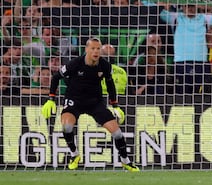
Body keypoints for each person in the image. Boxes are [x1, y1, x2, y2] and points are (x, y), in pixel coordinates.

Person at [41, 37, 139, 172]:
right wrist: (51, 99)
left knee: (117, 133)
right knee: (67, 126)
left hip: (95, 102)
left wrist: (115, 105)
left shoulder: (105, 66)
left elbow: (110, 85)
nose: (96, 51)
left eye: (98, 48)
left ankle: (126, 161)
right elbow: (56, 77)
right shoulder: (75, 63)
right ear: (86, 49)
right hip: (74, 100)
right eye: (93, 48)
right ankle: (74, 154)